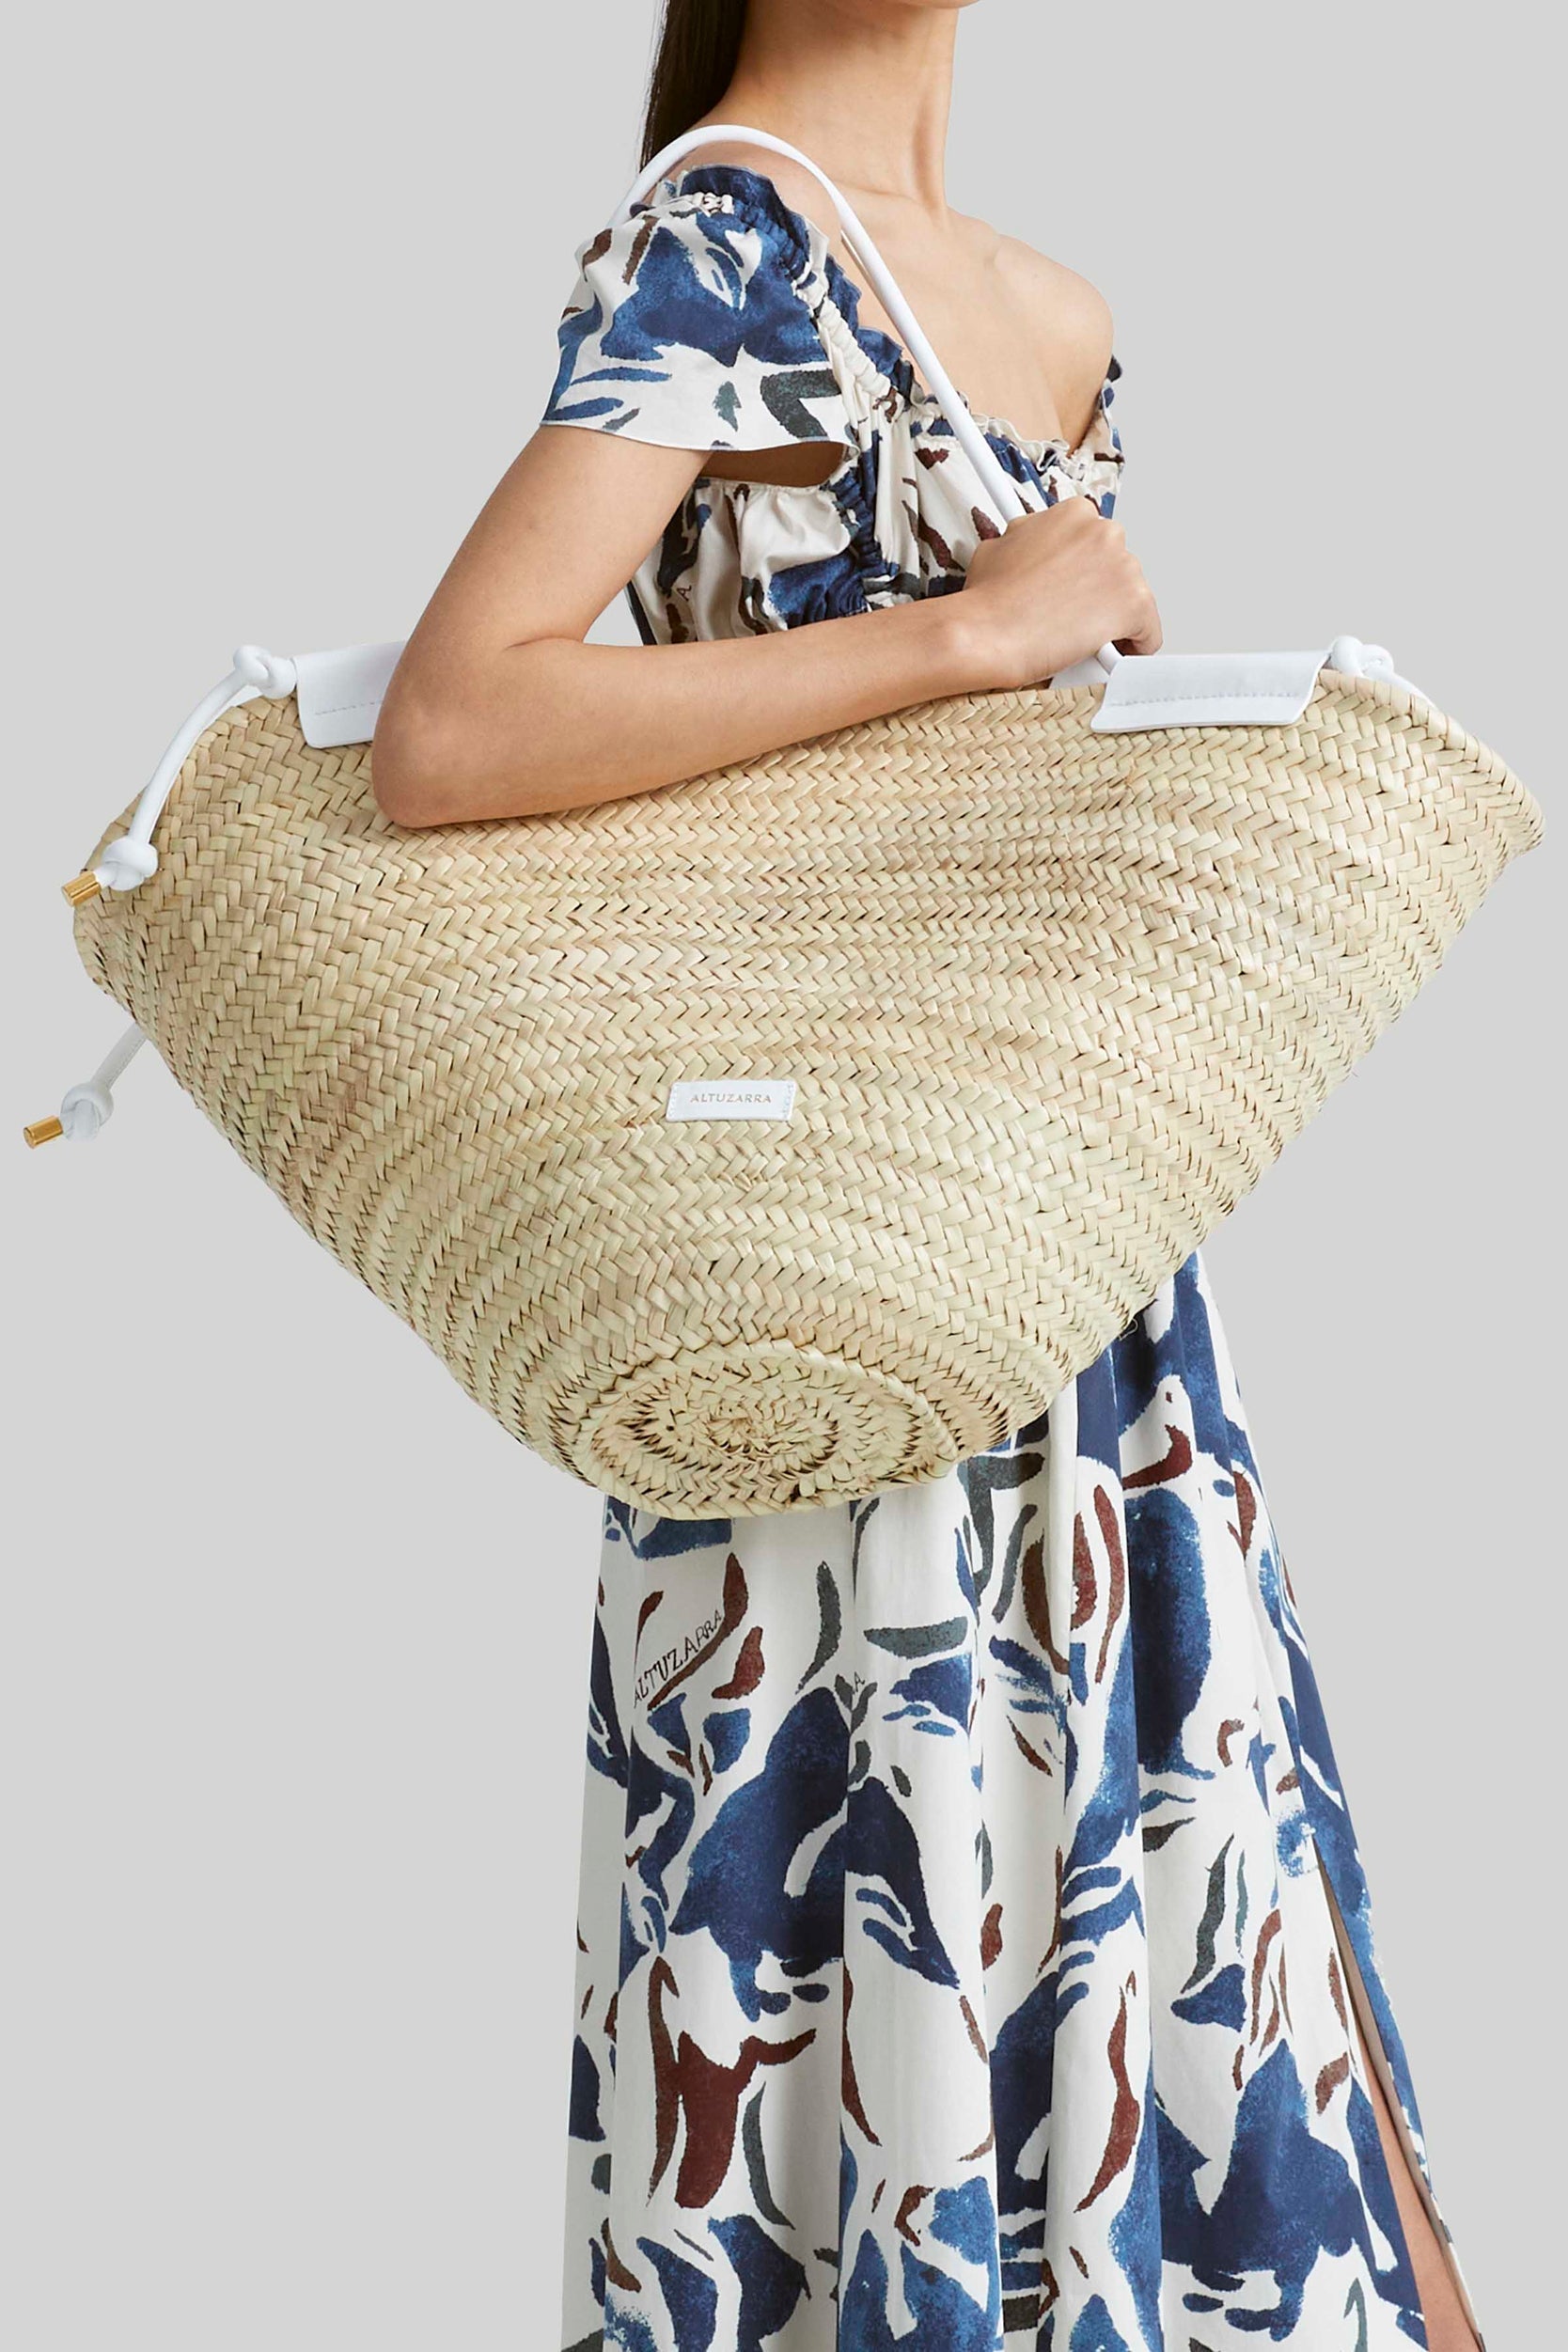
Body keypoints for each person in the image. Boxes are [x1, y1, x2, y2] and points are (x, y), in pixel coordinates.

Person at [371, 5, 1485, 2344]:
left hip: (1090, 1291)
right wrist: (971, 630)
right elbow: (458, 724)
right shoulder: (717, 237)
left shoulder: (1057, 320)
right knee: (846, 1980)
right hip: (808, 1309)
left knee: (1220, 1963)